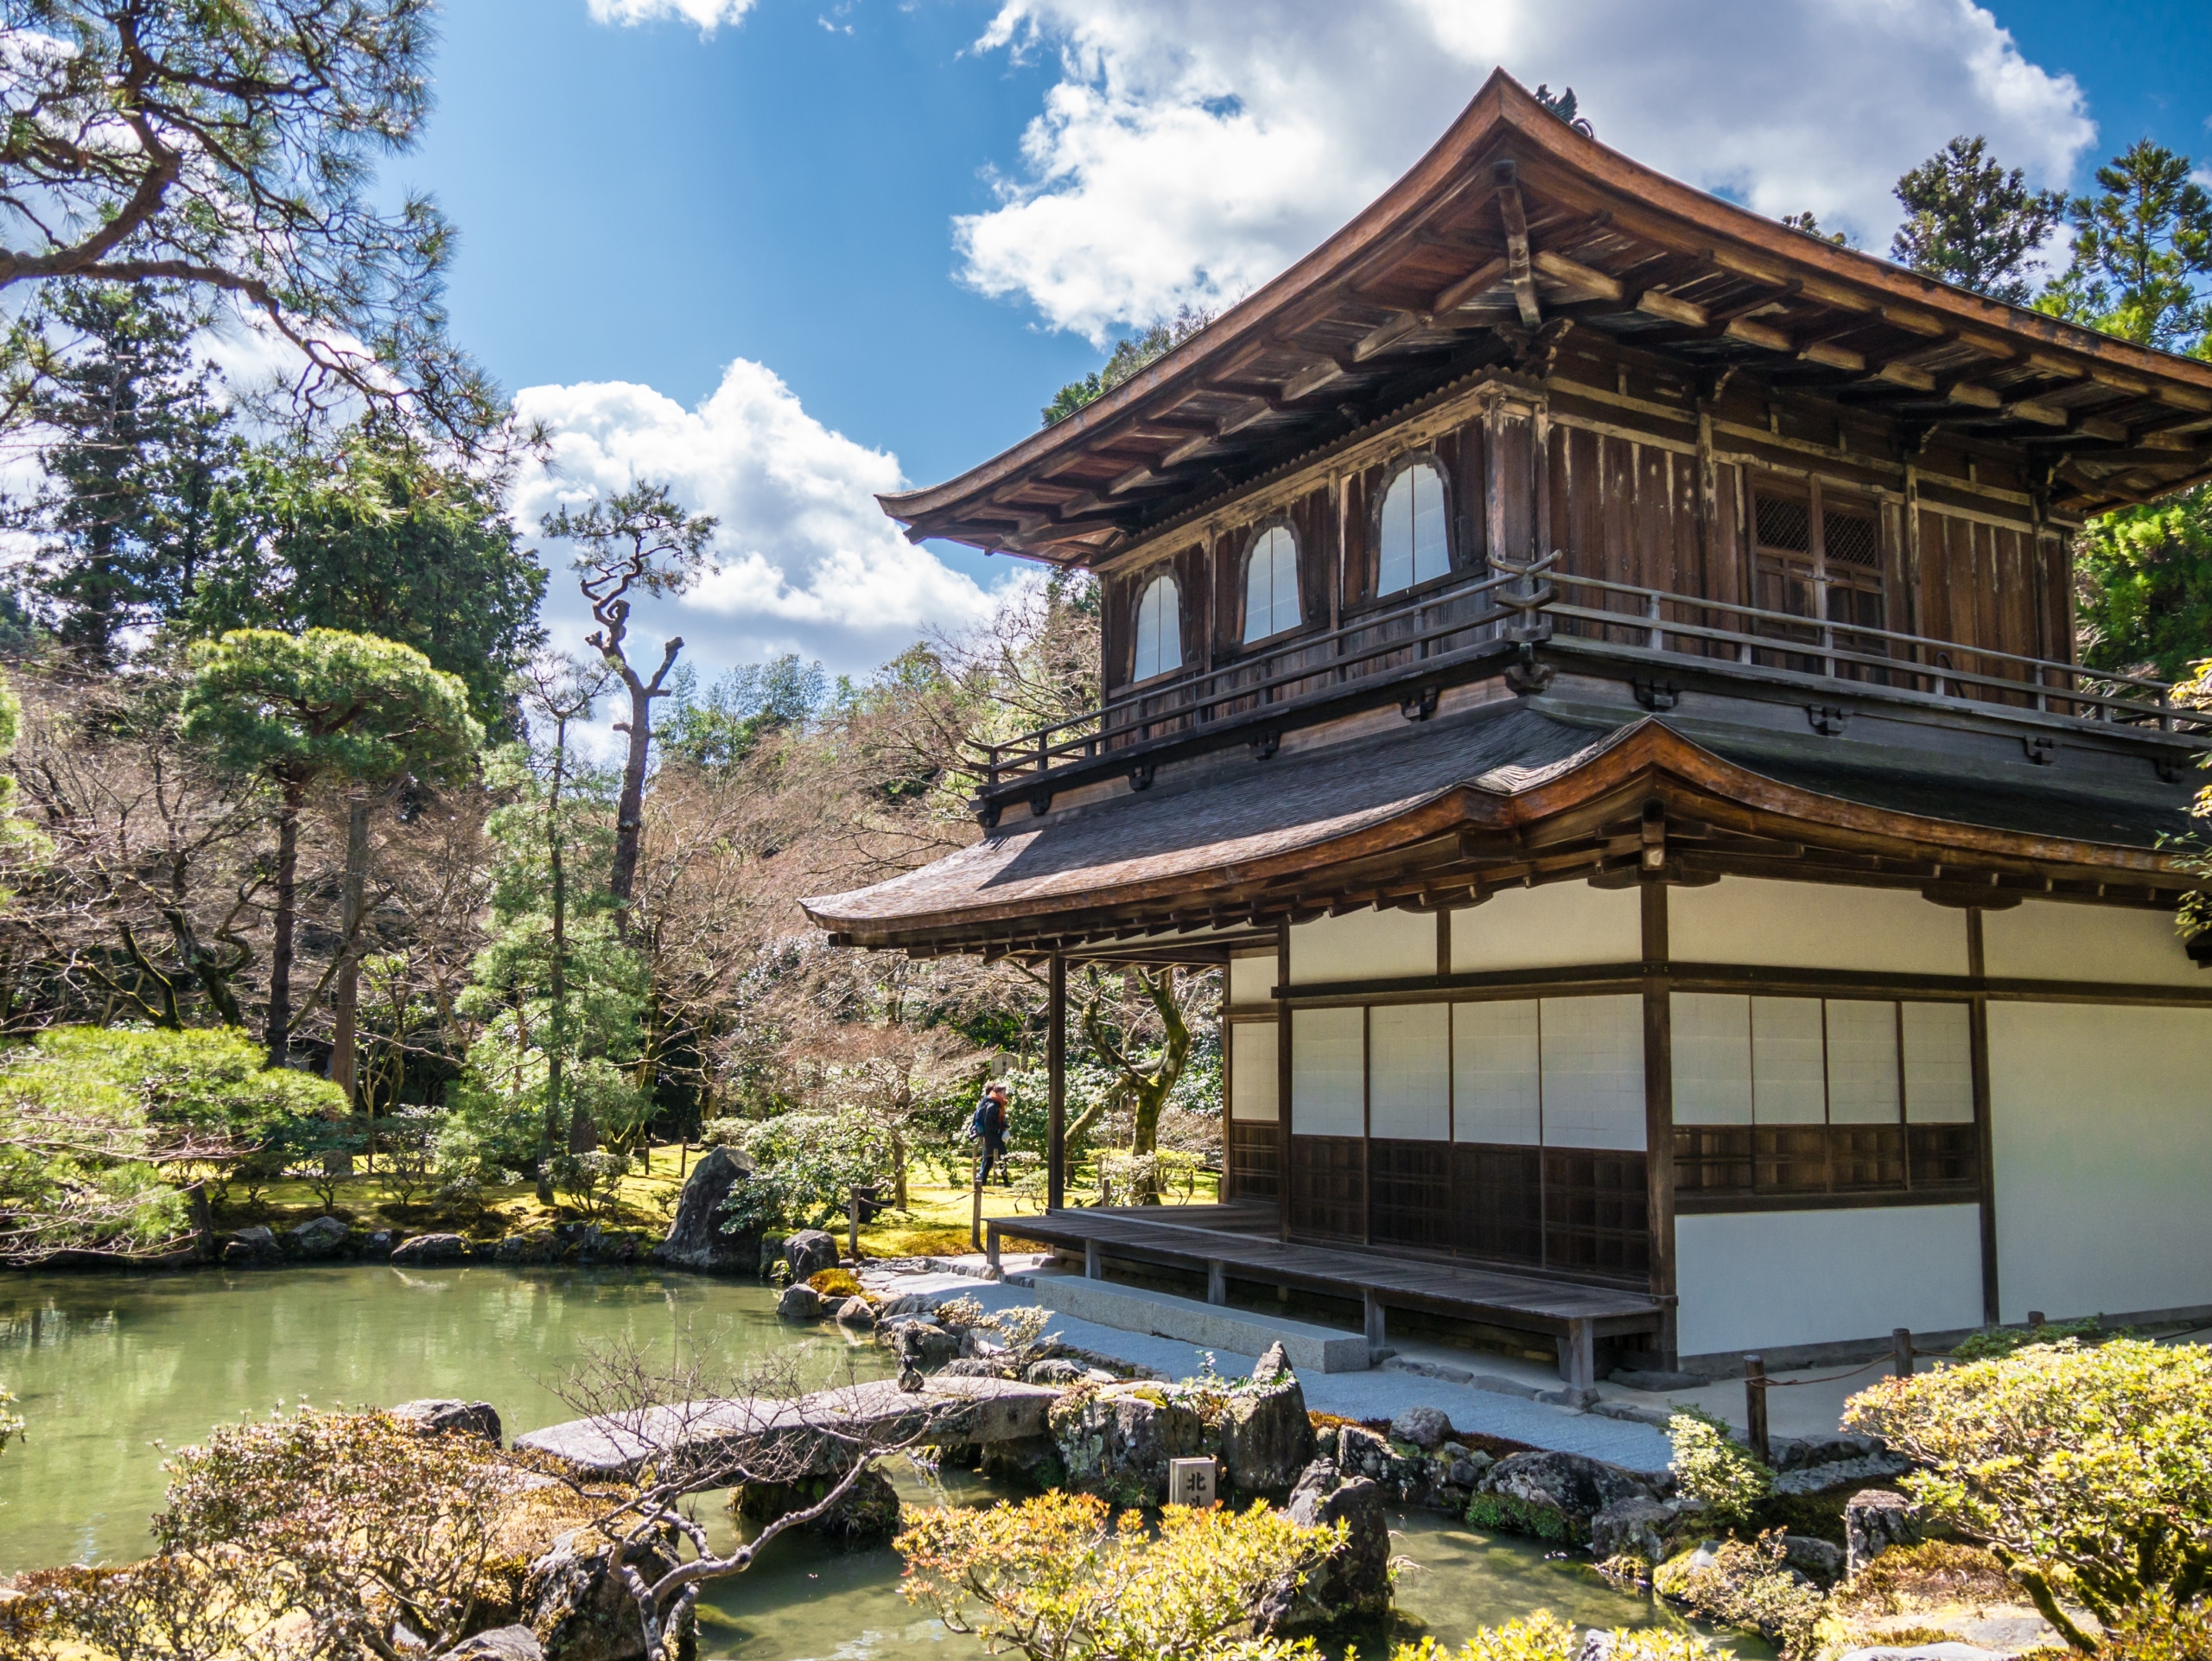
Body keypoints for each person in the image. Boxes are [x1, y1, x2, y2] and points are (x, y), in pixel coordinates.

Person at [969, 1082, 1011, 1187]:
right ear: (1000, 1092)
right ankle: (1005, 1182)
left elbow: (996, 1120)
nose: (1005, 1095)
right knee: (1002, 1158)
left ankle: (983, 1182)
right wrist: (998, 1130)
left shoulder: (996, 1103)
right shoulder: (992, 1104)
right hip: (992, 1136)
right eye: (1004, 1092)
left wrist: (1003, 1125)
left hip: (993, 1136)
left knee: (990, 1159)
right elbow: (989, 1122)